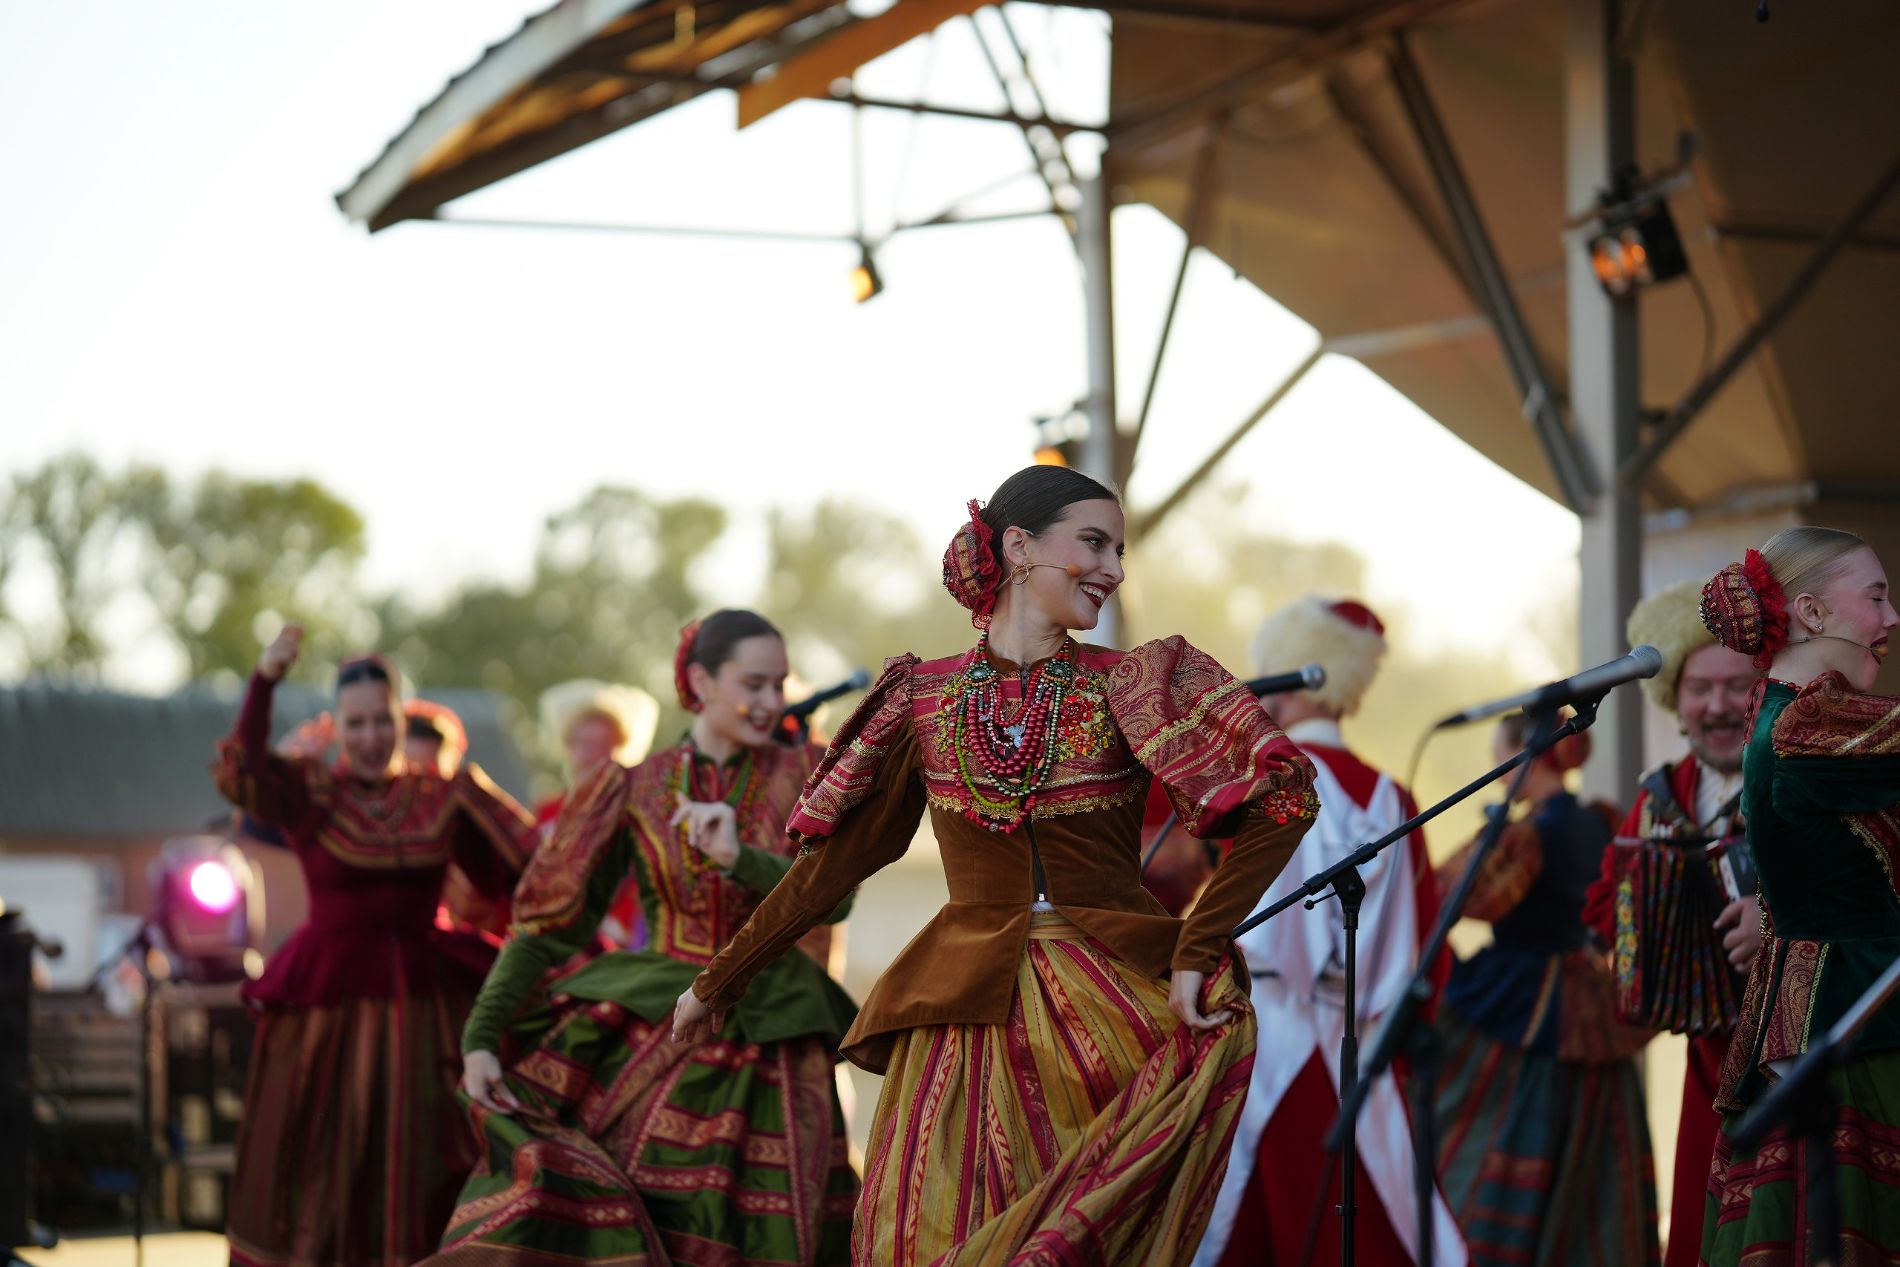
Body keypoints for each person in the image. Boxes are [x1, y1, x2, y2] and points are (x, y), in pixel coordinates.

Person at [673, 466, 1322, 1265]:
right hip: (963, 1021)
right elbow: (832, 865)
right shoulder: (924, 697)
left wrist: (1198, 946)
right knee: (927, 1238)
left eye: (1118, 548)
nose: (1114, 568)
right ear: (1018, 546)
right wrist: (718, 979)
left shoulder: (1132, 681)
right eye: (1093, 542)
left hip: (1113, 1015)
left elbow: (1284, 799)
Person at [432, 610, 859, 1266]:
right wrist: (481, 1037)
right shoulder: (634, 784)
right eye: (755, 683)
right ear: (700, 680)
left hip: (775, 1037)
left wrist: (739, 856)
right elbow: (547, 927)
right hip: (653, 1021)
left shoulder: (808, 772)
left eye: (780, 684)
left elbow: (836, 894)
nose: (773, 701)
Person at [212, 626, 535, 1267]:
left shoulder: (445, 792)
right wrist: (264, 680)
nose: (369, 737)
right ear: (337, 726)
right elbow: (241, 771)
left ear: (400, 718)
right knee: (321, 1169)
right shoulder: (311, 790)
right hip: (327, 1008)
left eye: (381, 721)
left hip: (427, 1006)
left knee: (430, 1161)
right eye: (355, 724)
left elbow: (533, 866)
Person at [1196, 597, 1463, 1267]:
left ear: (1285, 685)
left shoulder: (1273, 786)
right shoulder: (1393, 796)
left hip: (1272, 1043)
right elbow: (1427, 938)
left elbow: (1236, 924)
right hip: (1364, 1047)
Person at [1696, 526, 1900, 1265]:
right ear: (1812, 612)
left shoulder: (1783, 712)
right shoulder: (1810, 725)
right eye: (1875, 597)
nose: (1890, 618)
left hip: (1832, 1021)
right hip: (1855, 1028)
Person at [1431, 713, 1660, 1267]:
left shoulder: (1525, 833)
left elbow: (1444, 895)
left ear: (1527, 756)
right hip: (1587, 988)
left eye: (1502, 757)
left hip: (1522, 993)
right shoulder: (1600, 821)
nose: (1497, 770)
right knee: (1598, 1149)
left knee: (1485, 1135)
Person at [1578, 581, 1762, 1267]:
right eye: (1698, 687)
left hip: (1803, 1058)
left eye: (1736, 685)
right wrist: (1646, 935)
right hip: (1707, 1065)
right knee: (1697, 1231)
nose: (1716, 705)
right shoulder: (1662, 796)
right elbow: (1603, 905)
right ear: (1674, 701)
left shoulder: (1797, 780)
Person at [534, 679, 661, 948]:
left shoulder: (642, 817)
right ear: (568, 749)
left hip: (620, 947)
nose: (595, 756)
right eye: (585, 744)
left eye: (606, 745)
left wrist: (614, 926)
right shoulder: (546, 814)